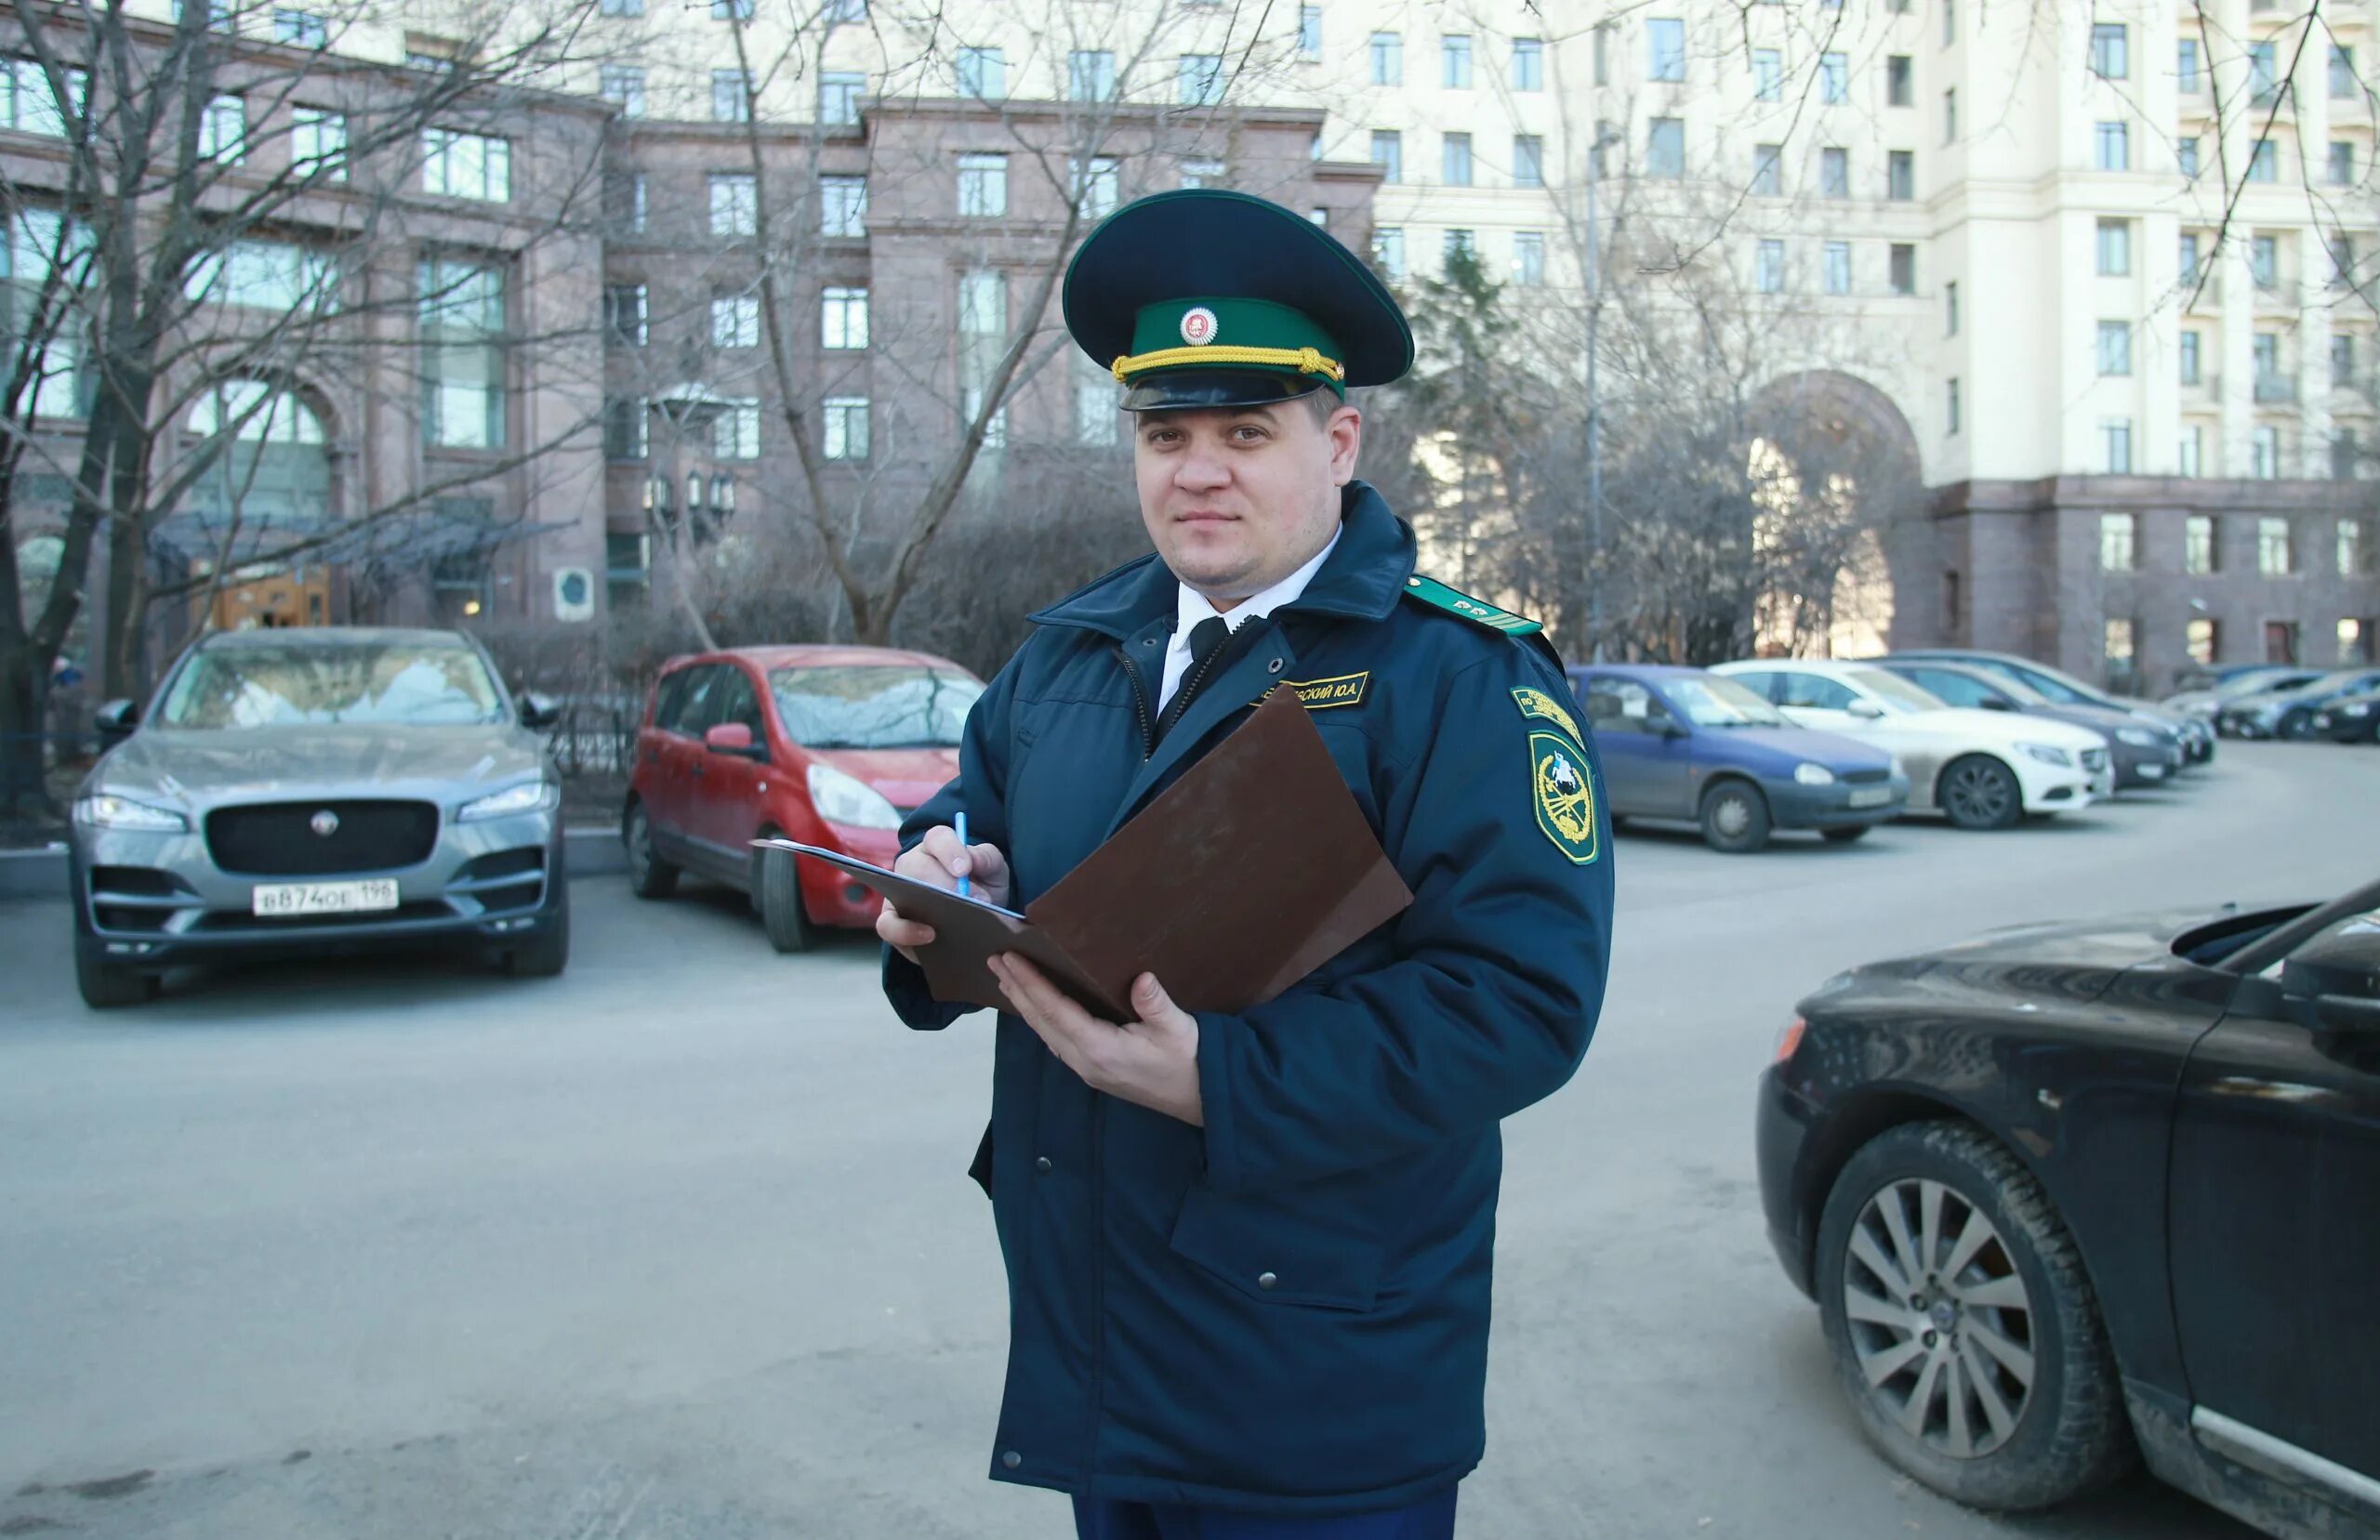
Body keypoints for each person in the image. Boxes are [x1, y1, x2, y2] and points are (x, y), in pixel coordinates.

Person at [876, 189, 1613, 1540]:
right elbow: (971, 826)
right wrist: (937, 896)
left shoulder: (1453, 677)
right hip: (1103, 1349)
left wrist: (1229, 1078)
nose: (1197, 470)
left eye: (1244, 432)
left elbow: (1524, 1001)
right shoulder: (1064, 657)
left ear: (1338, 441)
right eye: (1166, 433)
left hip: (1322, 1383)